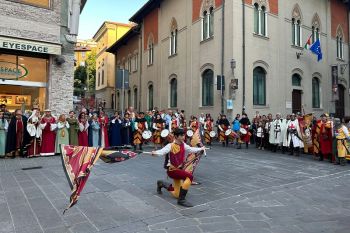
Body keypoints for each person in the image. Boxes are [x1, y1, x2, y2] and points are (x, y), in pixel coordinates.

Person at [152, 128, 206, 207]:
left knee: (176, 194)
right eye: (181, 135)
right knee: (190, 177)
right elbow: (161, 152)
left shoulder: (183, 144)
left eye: (184, 135)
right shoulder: (170, 146)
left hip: (179, 170)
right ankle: (181, 200)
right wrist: (155, 153)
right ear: (176, 137)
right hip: (172, 171)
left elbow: (191, 149)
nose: (183, 137)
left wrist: (201, 148)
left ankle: (162, 183)